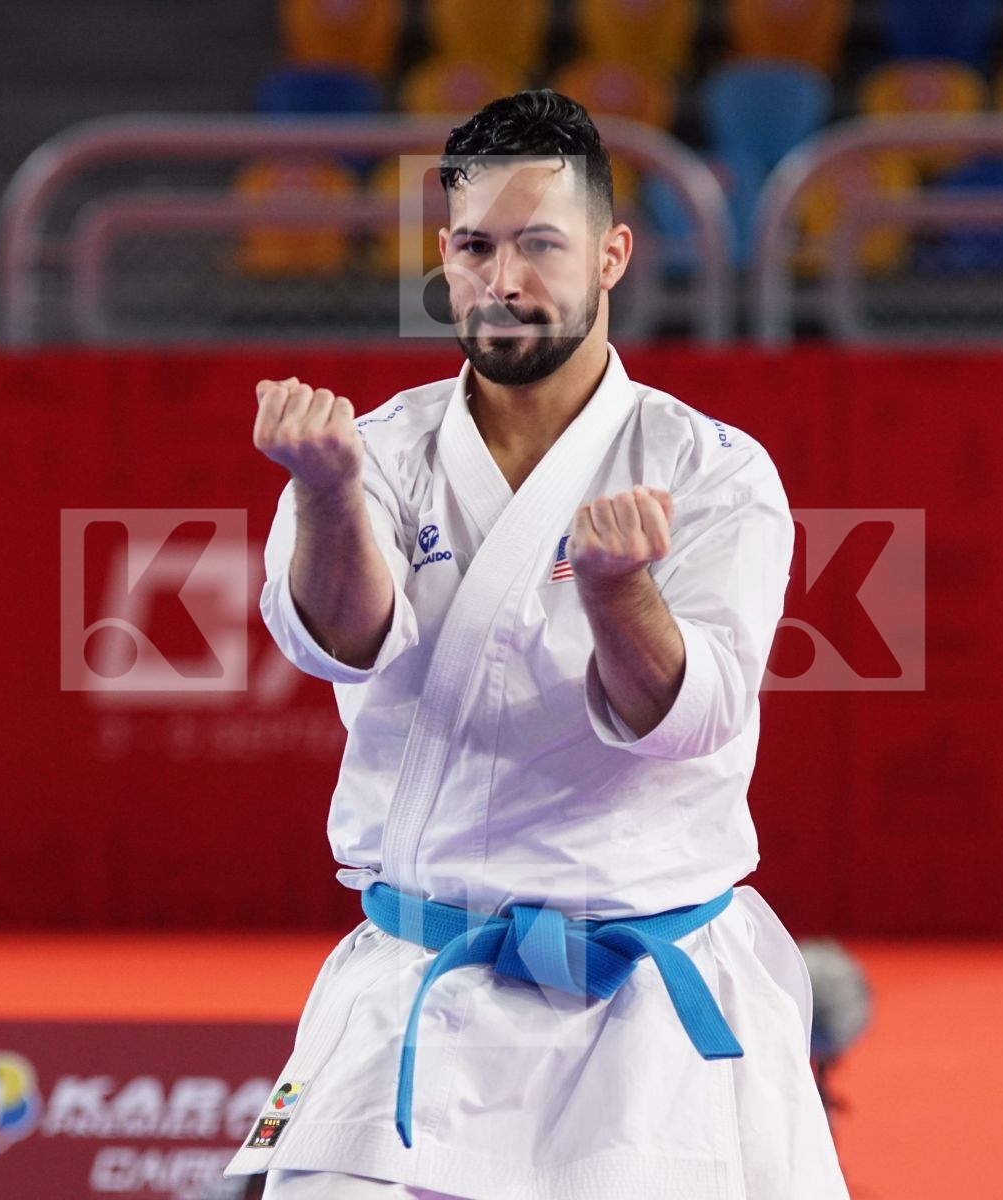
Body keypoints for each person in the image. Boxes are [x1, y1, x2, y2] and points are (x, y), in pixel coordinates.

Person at [224, 89, 848, 1199]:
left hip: (643, 1003)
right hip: (422, 977)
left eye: (540, 246)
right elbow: (340, 645)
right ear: (444, 257)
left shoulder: (712, 469)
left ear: (612, 256)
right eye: (476, 247)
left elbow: (691, 718)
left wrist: (617, 589)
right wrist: (323, 492)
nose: (503, 280)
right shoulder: (373, 451)